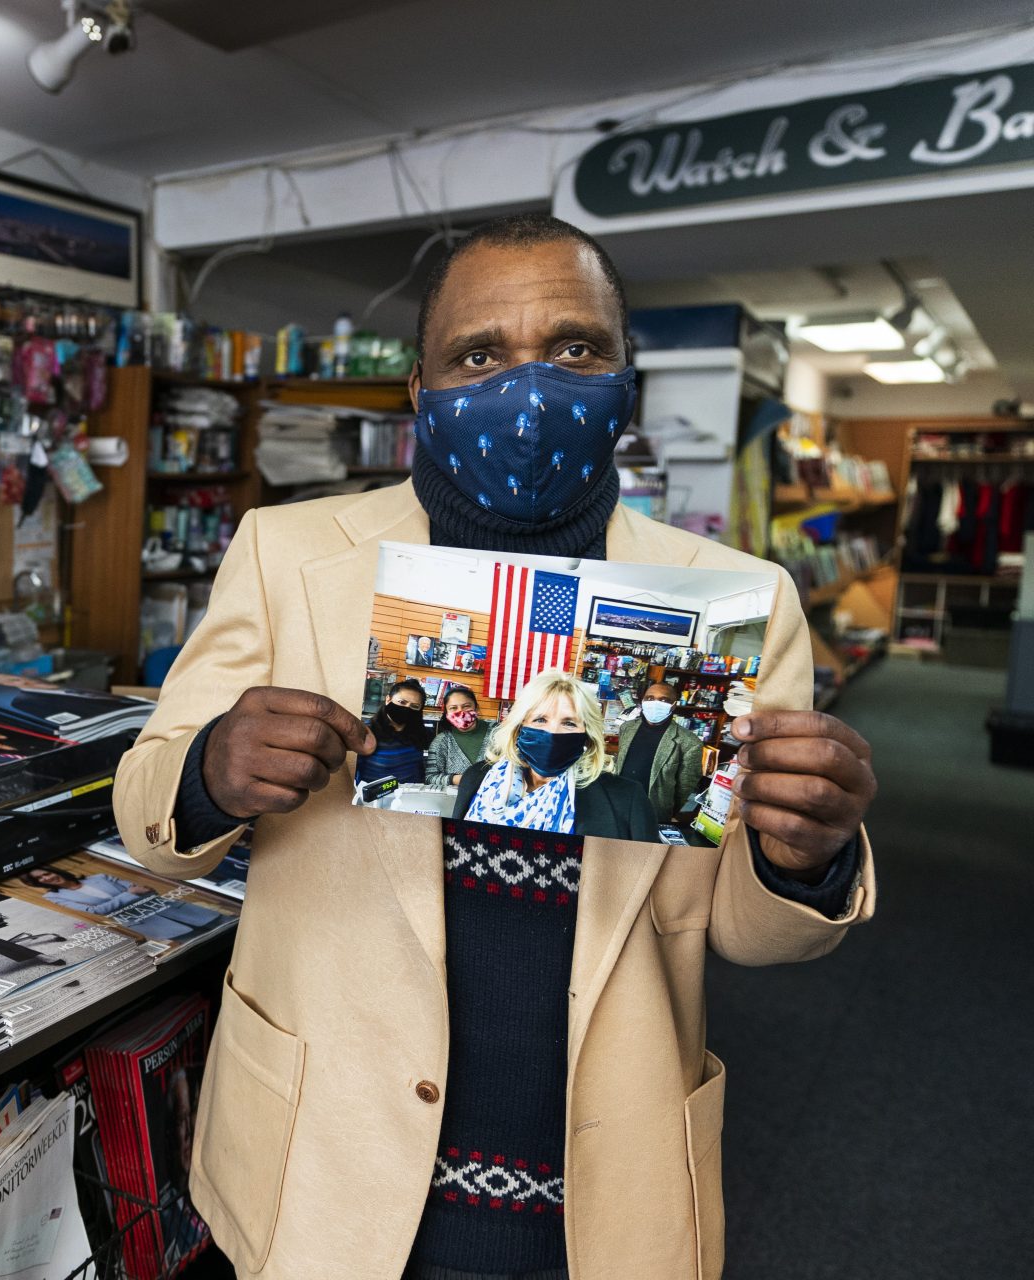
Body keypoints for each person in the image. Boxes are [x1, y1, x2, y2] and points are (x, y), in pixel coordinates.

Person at [113, 213, 876, 1280]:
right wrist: (208, 774)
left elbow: (747, 933)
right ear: (421, 386)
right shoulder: (287, 555)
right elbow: (148, 809)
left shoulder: (737, 603)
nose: (530, 386)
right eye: (480, 353)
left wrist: (807, 852)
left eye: (574, 348)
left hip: (600, 1193)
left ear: (624, 375)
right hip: (328, 1164)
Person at [451, 669, 658, 841]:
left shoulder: (625, 799)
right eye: (540, 719)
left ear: (586, 735)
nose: (553, 733)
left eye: (569, 723)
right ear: (519, 726)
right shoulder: (476, 779)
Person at [17, 864, 222, 942]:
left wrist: (129, 895)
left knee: (227, 930)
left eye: (46, 873)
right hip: (149, 923)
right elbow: (97, 911)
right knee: (201, 944)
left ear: (55, 871)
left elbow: (140, 888)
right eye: (40, 880)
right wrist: (128, 895)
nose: (46, 878)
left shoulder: (99, 876)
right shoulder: (54, 897)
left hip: (170, 907)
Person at [614, 680, 710, 823]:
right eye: (650, 698)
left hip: (652, 812)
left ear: (673, 705)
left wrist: (666, 810)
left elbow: (684, 788)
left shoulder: (690, 742)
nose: (655, 703)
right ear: (643, 701)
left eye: (664, 700)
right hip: (617, 803)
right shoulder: (627, 728)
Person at [355, 678, 431, 790]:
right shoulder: (366, 732)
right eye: (402, 702)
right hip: (376, 799)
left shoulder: (419, 732)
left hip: (412, 797)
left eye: (414, 706)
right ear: (388, 700)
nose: (407, 708)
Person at [425, 683, 493, 787]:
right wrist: (457, 779)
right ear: (446, 713)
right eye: (453, 708)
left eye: (466, 706)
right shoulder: (441, 741)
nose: (460, 712)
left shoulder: (497, 732)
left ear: (476, 708)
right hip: (456, 800)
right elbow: (430, 778)